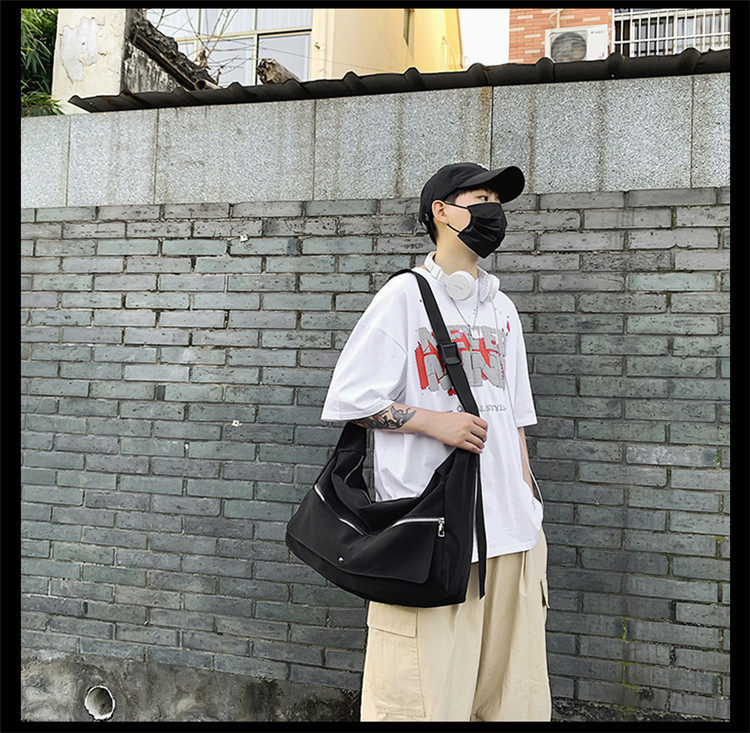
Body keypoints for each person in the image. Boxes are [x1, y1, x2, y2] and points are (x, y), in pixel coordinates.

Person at [320, 162, 551, 722]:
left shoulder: (502, 308)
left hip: (513, 534)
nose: (494, 210)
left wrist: (528, 498)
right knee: (420, 702)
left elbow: (517, 416)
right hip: (434, 535)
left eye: (498, 200)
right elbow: (350, 399)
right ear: (442, 212)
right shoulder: (405, 296)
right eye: (481, 198)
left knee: (511, 702)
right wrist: (431, 421)